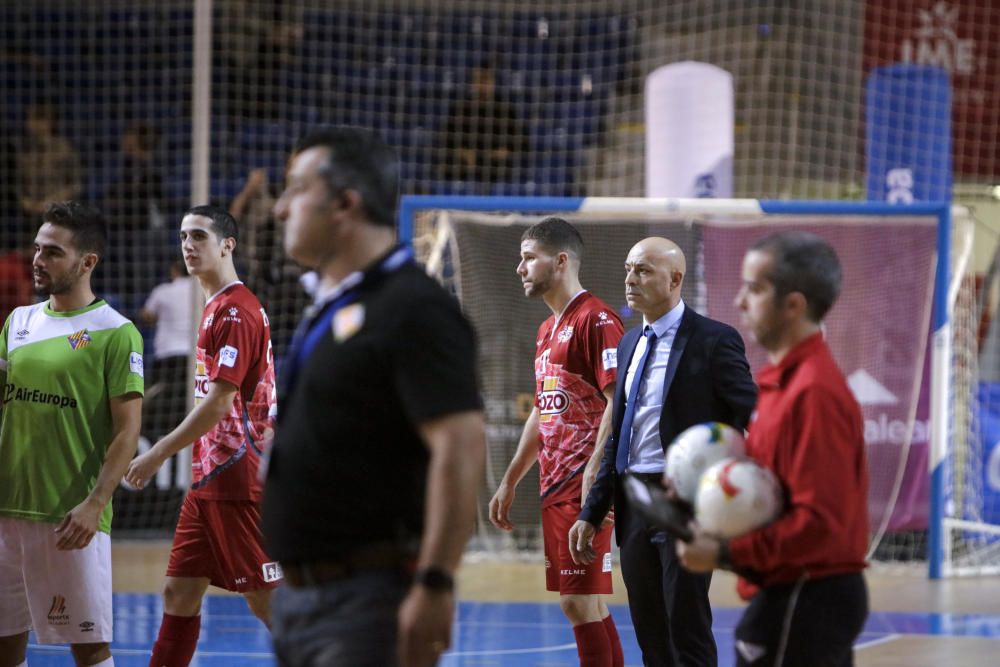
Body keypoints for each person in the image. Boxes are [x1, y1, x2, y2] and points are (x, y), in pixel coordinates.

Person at [262, 126, 486, 667]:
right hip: (303, 600)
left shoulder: (413, 307)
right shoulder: (334, 306)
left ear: (345, 204)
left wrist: (435, 584)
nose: (280, 208)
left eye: (295, 189)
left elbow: (460, 446)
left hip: (366, 603)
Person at [676, 231, 869, 667]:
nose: (741, 301)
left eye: (755, 288)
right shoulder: (776, 383)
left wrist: (724, 553)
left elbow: (818, 525)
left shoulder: (814, 393)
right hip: (789, 589)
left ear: (794, 305)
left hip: (808, 595)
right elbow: (768, 494)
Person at [569, 237, 757, 666]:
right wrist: (591, 511)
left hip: (686, 503)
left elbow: (752, 418)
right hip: (634, 501)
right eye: (628, 269)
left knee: (686, 625)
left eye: (643, 271)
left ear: (675, 279)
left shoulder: (714, 340)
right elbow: (620, 435)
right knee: (650, 630)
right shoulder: (629, 342)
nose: (630, 279)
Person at [125, 205, 279, 667]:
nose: (188, 245)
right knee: (179, 592)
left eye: (198, 236)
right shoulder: (216, 306)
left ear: (227, 245)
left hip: (236, 479)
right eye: (182, 237)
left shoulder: (236, 309)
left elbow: (218, 402)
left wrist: (157, 453)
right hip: (209, 480)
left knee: (268, 602)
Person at [0, 201, 144, 667]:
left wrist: (95, 504)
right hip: (5, 513)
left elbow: (127, 431)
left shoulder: (116, 333)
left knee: (89, 649)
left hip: (69, 519)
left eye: (53, 252)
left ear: (88, 262)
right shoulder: (17, 322)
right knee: (4, 645)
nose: (38, 260)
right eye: (38, 249)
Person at [488, 217, 625, 666]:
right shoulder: (548, 331)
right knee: (586, 604)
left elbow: (618, 402)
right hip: (556, 482)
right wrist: (510, 480)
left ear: (561, 260)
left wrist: (595, 473)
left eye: (530, 257)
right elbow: (543, 411)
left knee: (578, 603)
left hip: (583, 482)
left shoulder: (597, 319)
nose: (519, 267)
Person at [437, 63, 529, 187]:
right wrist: (462, 152)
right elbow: (446, 141)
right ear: (473, 84)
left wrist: (503, 152)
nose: (482, 85)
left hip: (496, 166)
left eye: (485, 80)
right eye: (478, 80)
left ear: (493, 83)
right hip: (465, 166)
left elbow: (522, 143)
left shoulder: (506, 110)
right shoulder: (461, 109)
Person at [138, 259, 196, 442]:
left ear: (174, 270)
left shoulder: (163, 291)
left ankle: (155, 438)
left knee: (159, 400)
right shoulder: (200, 291)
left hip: (167, 357)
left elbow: (146, 315)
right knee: (186, 403)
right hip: (193, 358)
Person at [16, 105, 83, 221]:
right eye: (30, 119)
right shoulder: (23, 149)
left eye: (39, 119)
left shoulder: (65, 148)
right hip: (27, 214)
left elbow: (76, 185)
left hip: (59, 212)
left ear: (51, 122)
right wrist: (25, 201)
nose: (33, 124)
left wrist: (53, 201)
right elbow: (17, 182)